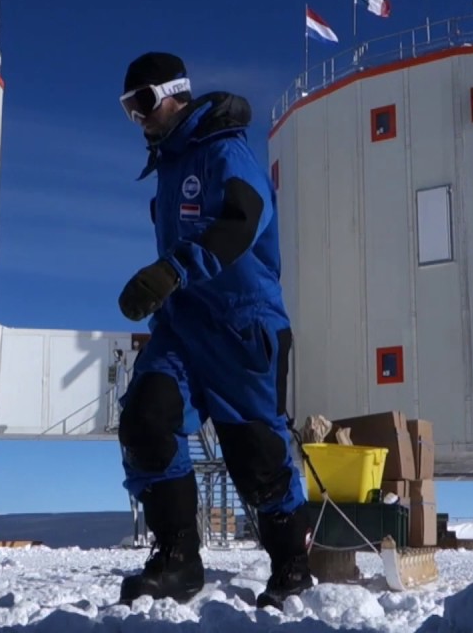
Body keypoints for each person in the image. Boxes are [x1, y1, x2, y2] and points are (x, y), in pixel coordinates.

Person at [113, 52, 314, 609]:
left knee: (255, 455)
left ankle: (292, 565)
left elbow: (242, 221)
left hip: (242, 326)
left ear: (174, 92)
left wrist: (173, 269)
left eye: (144, 103)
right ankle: (178, 560)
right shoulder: (169, 167)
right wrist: (167, 288)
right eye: (129, 109)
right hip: (181, 328)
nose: (138, 118)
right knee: (146, 420)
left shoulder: (226, 151)